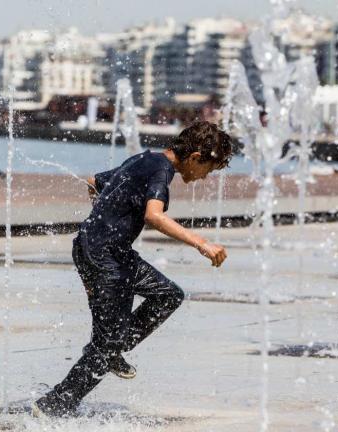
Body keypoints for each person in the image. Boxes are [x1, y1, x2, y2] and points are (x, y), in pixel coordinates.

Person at [32, 121, 236, 418]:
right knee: (108, 342)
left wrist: (104, 222)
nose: (205, 177)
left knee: (168, 295)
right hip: (105, 257)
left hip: (106, 252)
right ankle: (56, 403)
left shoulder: (144, 159)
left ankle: (111, 350)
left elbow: (94, 182)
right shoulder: (160, 170)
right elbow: (154, 216)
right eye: (209, 169)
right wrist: (201, 243)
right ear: (195, 158)